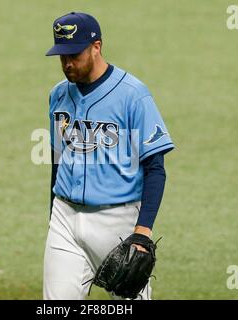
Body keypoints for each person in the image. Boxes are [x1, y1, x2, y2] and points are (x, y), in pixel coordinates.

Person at [43, 12, 175, 300]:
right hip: (64, 220)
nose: (67, 63)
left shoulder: (133, 95)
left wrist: (142, 232)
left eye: (74, 55)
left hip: (118, 224)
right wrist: (52, 211)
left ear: (96, 47)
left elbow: (155, 167)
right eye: (61, 56)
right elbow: (57, 159)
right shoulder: (57, 95)